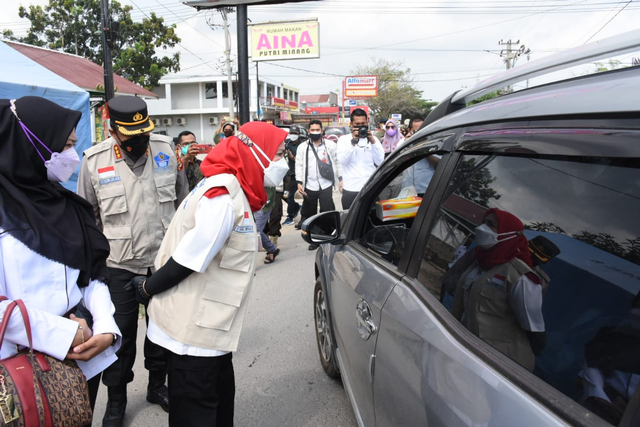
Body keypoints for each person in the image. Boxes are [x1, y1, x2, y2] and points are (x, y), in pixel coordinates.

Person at [126, 122, 288, 426]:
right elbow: (189, 259)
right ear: (257, 153)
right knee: (198, 413)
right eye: (278, 154)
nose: (283, 162)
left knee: (217, 406)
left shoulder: (230, 187)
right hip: (194, 334)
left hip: (210, 329)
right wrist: (147, 289)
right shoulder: (223, 198)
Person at [0, 96, 121, 414]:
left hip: (80, 359)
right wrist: (63, 334)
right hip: (17, 370)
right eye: (64, 146)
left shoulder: (67, 205)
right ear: (31, 144)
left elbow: (92, 273)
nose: (72, 158)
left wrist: (106, 324)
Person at [77, 96, 188, 427]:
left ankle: (157, 387)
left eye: (144, 133)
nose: (140, 141)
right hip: (120, 265)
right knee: (119, 337)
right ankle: (116, 400)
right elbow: (88, 220)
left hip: (164, 263)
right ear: (113, 131)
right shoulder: (94, 162)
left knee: (163, 330)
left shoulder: (167, 149)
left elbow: (183, 205)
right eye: (131, 135)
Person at [448, 209, 547, 371]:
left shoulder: (520, 277)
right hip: (465, 351)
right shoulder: (479, 261)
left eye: (491, 224)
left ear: (507, 232)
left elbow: (536, 334)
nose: (482, 228)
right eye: (483, 222)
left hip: (496, 365)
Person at [295, 120, 341, 250]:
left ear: (322, 131)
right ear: (308, 131)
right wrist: (299, 182)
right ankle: (314, 238)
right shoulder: (303, 147)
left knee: (327, 210)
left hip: (325, 184)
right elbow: (298, 165)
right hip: (309, 185)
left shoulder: (330, 145)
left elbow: (337, 162)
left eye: (317, 130)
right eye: (312, 130)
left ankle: (328, 235)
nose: (315, 132)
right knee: (310, 213)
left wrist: (340, 179)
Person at [336, 108, 384, 210]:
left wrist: (372, 142)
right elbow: (342, 160)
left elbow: (380, 161)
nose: (360, 126)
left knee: (371, 220)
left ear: (367, 123)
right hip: (351, 188)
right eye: (357, 124)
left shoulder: (374, 140)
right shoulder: (343, 140)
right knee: (350, 222)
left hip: (370, 187)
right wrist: (353, 142)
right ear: (351, 125)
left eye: (363, 123)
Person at [283, 124, 304, 226]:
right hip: (287, 174)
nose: (293, 135)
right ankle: (295, 207)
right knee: (284, 194)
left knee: (290, 196)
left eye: (295, 133)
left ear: (299, 134)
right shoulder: (287, 143)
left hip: (298, 174)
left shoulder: (302, 145)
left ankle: (290, 216)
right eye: (291, 133)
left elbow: (303, 162)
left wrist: (292, 157)